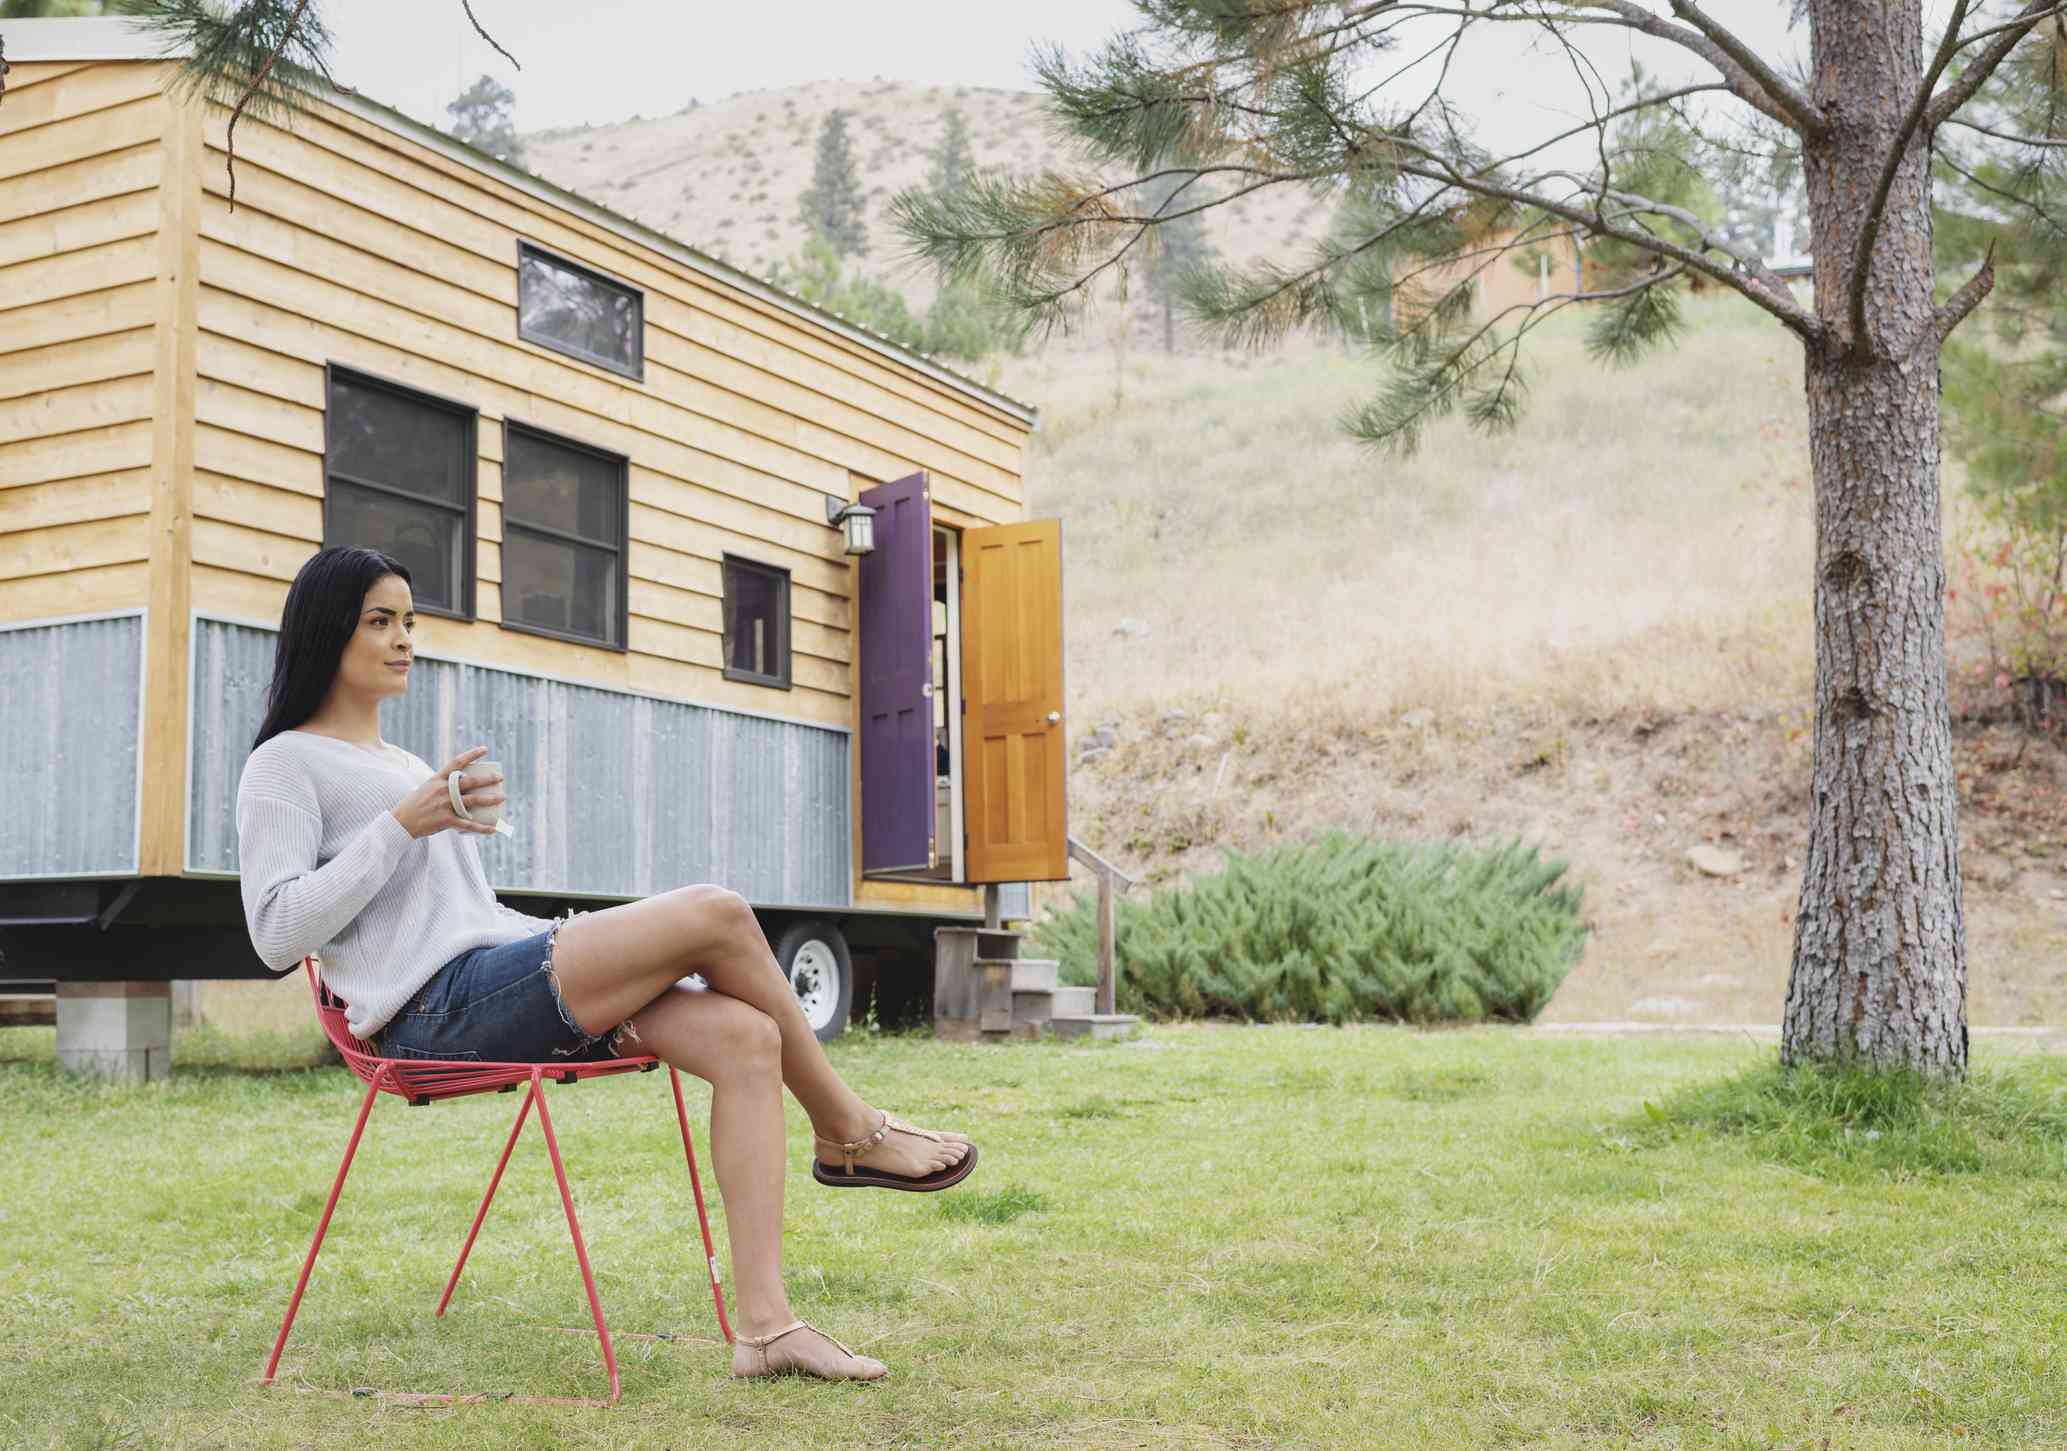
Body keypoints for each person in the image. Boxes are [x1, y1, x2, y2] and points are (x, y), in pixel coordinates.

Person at [235, 545, 976, 1383]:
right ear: (327, 630)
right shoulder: (284, 765)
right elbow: (273, 932)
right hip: (427, 1015)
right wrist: (401, 825)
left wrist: (571, 933)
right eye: (380, 621)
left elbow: (467, 919)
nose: (405, 637)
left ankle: (766, 1328)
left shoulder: (404, 767)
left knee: (743, 1037)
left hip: (490, 978)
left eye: (409, 619)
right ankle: (847, 1128)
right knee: (719, 914)